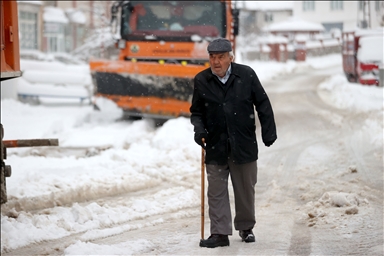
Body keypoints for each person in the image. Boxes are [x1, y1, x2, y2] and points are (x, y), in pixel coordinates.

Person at [190, 38, 277, 248]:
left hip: (243, 143)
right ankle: (220, 233)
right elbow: (197, 112)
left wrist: (268, 131)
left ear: (231, 57)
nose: (216, 62)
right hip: (215, 144)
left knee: (245, 189)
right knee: (216, 191)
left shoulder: (246, 75)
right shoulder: (202, 80)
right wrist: (199, 130)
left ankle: (246, 227)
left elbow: (262, 103)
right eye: (212, 57)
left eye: (220, 57)